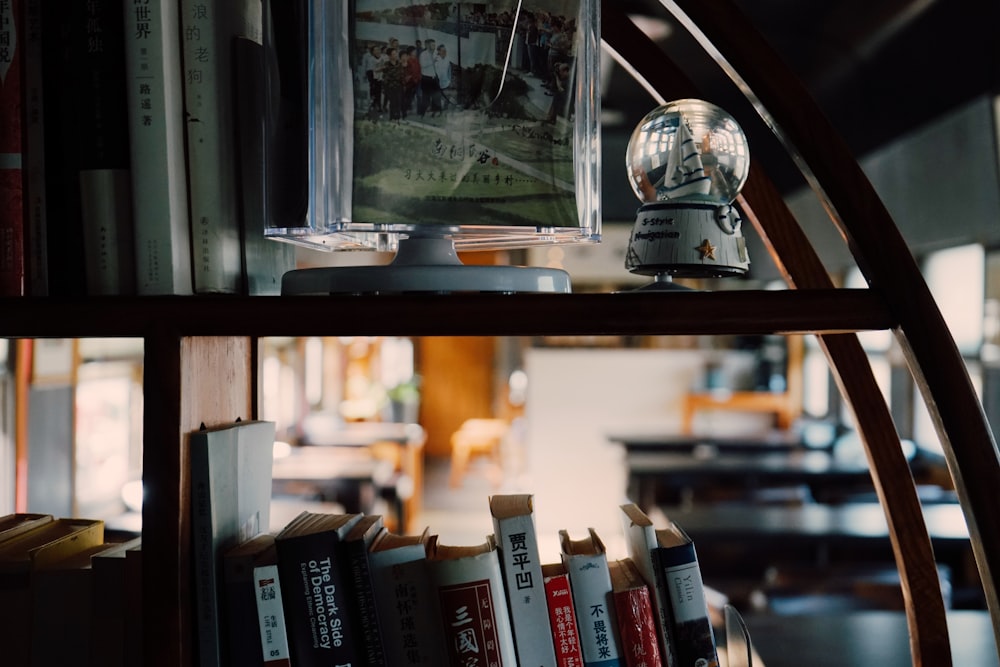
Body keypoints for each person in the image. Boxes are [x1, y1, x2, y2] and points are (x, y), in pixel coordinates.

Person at [417, 39, 437, 116]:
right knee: (426, 97)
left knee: (435, 96)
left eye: (434, 45)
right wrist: (432, 61)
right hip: (426, 78)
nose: (434, 47)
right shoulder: (423, 54)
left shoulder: (435, 54)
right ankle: (422, 112)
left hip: (434, 78)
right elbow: (422, 65)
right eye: (432, 45)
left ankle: (434, 112)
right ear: (428, 45)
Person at [431, 44, 452, 115]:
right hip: (436, 82)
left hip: (446, 82)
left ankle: (444, 110)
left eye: (445, 50)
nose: (444, 52)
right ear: (439, 51)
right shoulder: (436, 59)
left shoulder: (448, 59)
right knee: (436, 97)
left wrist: (449, 80)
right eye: (442, 50)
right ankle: (435, 111)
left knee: (446, 97)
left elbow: (449, 71)